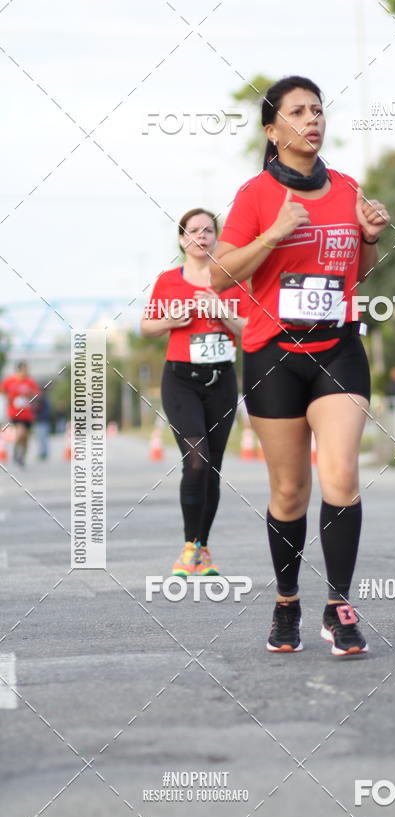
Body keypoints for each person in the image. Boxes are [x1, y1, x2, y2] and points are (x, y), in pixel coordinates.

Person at [211, 75, 390, 656]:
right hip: (273, 357)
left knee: (341, 476)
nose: (312, 120)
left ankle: (339, 607)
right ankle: (286, 601)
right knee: (289, 492)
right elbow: (217, 274)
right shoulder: (256, 196)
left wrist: (368, 239)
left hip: (337, 349)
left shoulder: (346, 187)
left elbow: (356, 276)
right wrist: (273, 236)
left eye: (318, 110)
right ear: (273, 129)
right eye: (297, 112)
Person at [141, 208, 249, 577]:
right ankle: (189, 547)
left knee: (213, 468)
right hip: (181, 380)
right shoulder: (168, 280)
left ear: (216, 237)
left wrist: (220, 309)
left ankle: (202, 548)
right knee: (196, 459)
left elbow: (250, 330)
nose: (200, 237)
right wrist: (175, 318)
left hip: (221, 380)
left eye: (208, 231)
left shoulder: (232, 279)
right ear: (181, 238)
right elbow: (147, 326)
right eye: (193, 231)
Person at [0, 361, 41, 466]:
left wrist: (30, 396)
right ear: (19, 370)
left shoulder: (30, 382)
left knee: (26, 438)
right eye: (25, 369)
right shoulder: (10, 380)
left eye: (27, 369)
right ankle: (15, 450)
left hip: (28, 414)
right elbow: (3, 390)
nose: (27, 371)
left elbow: (38, 394)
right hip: (15, 413)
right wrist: (8, 397)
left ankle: (22, 457)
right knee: (21, 432)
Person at [34, 388, 52, 460]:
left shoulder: (45, 401)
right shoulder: (36, 401)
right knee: (39, 438)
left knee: (43, 438)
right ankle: (41, 453)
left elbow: (47, 412)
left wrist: (39, 417)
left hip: (44, 422)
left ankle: (44, 453)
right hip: (38, 422)